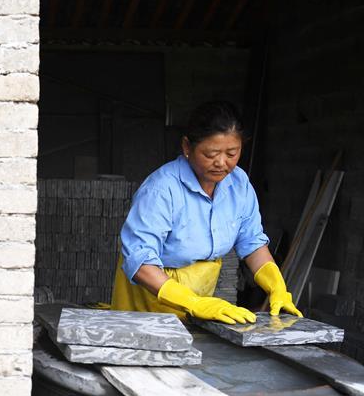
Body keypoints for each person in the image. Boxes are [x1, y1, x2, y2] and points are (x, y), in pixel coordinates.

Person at [111, 101, 302, 323]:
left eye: (232, 153)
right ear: (186, 147)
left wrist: (276, 285)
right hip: (148, 300)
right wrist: (193, 302)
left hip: (197, 302)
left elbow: (252, 243)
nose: (221, 163)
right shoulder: (161, 189)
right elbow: (139, 260)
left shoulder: (239, 184)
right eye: (211, 154)